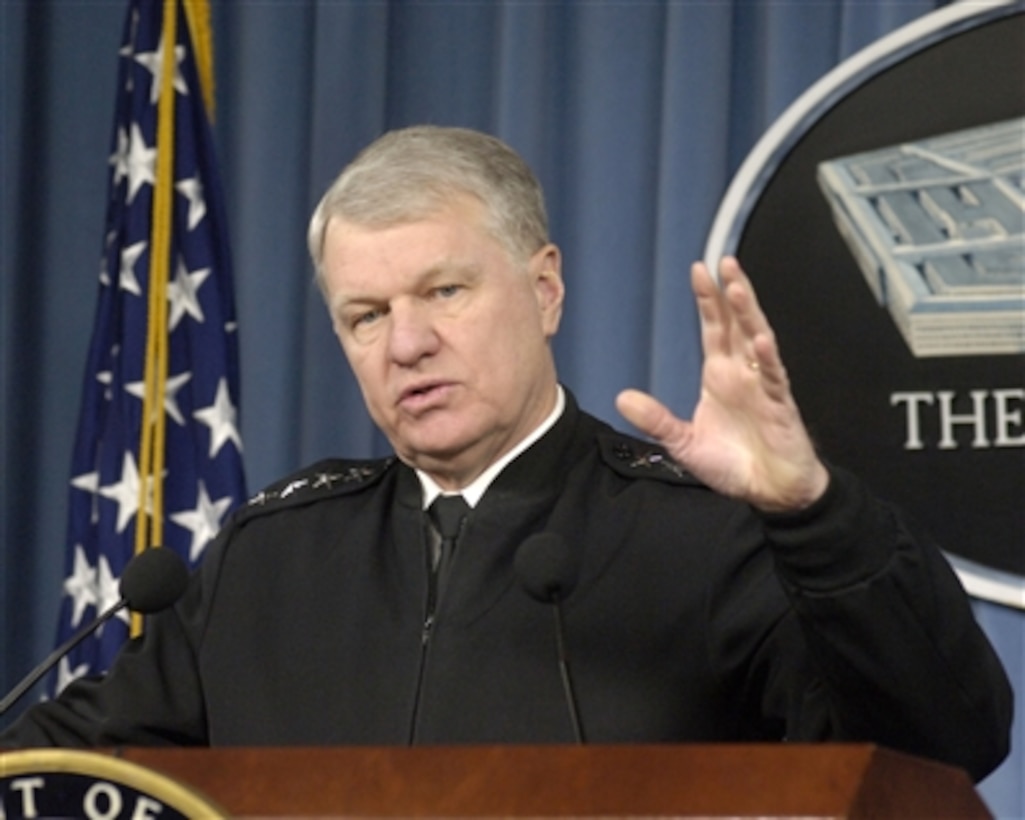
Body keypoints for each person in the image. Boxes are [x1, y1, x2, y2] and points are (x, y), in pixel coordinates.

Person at [2, 126, 1011, 782]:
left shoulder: (709, 535)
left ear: (544, 289)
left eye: (444, 292)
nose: (405, 343)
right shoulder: (269, 559)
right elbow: (57, 773)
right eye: (365, 314)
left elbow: (943, 747)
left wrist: (811, 511)